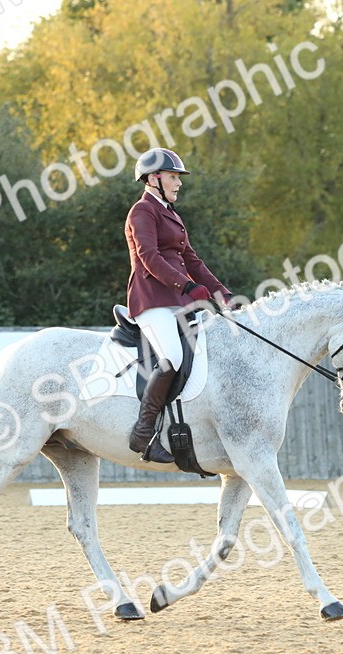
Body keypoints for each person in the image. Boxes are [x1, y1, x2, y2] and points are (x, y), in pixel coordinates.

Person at [124, 147, 232, 463]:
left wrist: (220, 292)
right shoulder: (142, 212)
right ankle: (143, 434)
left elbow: (191, 260)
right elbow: (149, 257)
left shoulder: (171, 214)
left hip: (177, 300)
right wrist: (185, 285)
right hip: (152, 299)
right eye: (173, 177)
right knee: (171, 355)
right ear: (154, 178)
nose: (178, 183)